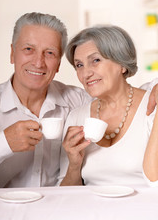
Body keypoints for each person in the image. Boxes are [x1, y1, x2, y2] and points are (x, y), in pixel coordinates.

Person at [0, 12, 92, 188]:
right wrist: (4, 142)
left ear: (58, 64)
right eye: (28, 49)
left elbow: (122, 100)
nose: (39, 63)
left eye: (49, 53)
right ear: (12, 53)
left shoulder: (79, 101)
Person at [58, 25, 158, 187]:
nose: (85, 73)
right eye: (79, 65)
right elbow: (66, 195)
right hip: (92, 211)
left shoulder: (152, 107)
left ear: (122, 64)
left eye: (95, 60)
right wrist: (74, 165)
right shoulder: (76, 116)